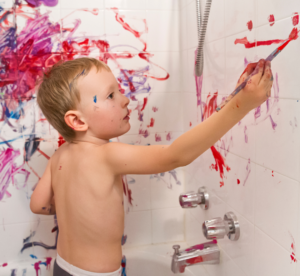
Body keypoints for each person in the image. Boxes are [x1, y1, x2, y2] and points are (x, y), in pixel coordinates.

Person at [30, 57, 273, 276]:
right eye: (111, 95)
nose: (125, 100)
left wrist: (75, 206)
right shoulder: (106, 154)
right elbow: (174, 156)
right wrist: (242, 104)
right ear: (77, 120)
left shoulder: (59, 156)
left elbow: (38, 205)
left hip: (62, 267)